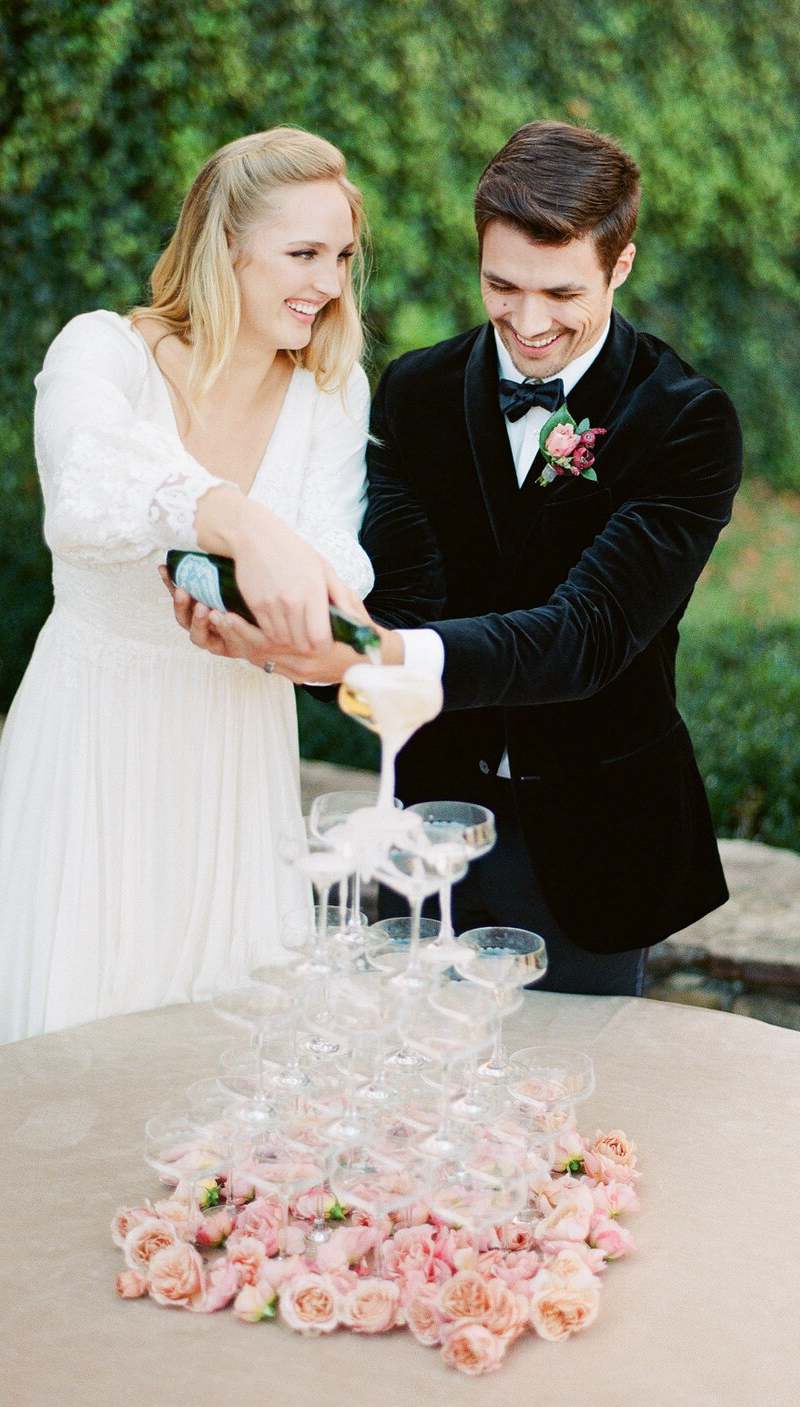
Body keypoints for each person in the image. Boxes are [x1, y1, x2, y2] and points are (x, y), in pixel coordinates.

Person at [173, 120, 742, 996]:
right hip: (426, 831)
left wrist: (379, 653)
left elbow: (586, 636)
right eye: (501, 285)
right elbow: (395, 606)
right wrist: (293, 650)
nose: (528, 321)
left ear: (619, 266)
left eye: (561, 293)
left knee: (565, 1116)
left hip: (597, 845)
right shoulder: (416, 391)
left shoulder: (685, 420)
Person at [0, 128, 374, 1053]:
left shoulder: (332, 392)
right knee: (67, 1055)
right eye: (303, 254)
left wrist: (305, 645)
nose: (331, 283)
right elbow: (86, 486)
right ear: (224, 248)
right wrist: (245, 522)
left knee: (231, 1064)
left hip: (237, 753)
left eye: (342, 256)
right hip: (90, 745)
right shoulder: (102, 352)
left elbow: (335, 576)